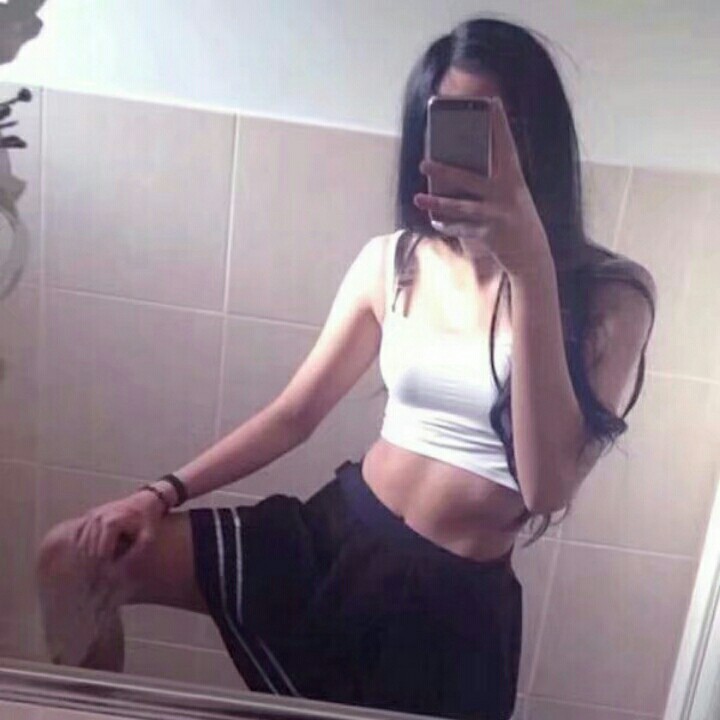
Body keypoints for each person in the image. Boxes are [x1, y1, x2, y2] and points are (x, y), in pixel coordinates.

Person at [36, 17, 656, 720]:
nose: (481, 153)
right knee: (74, 559)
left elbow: (545, 490)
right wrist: (159, 493)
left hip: (449, 610)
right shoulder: (393, 261)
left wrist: (530, 266)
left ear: (539, 136)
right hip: (334, 541)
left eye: (501, 127)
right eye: (454, 123)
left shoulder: (609, 298)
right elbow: (294, 414)